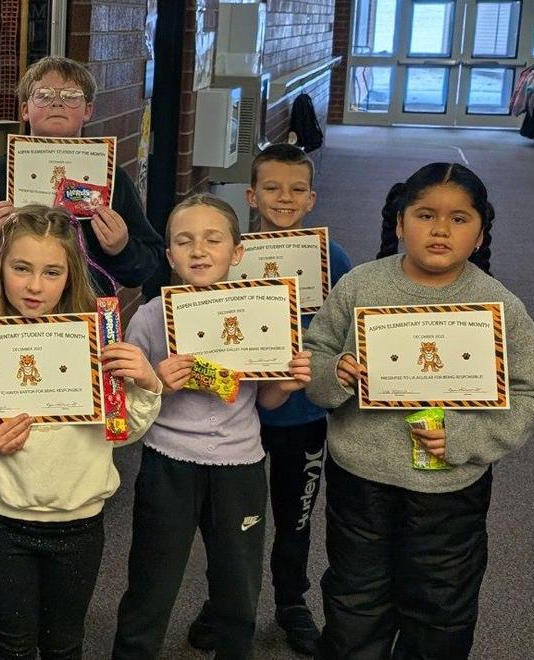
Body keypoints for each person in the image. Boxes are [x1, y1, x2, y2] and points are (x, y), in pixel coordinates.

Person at [306, 163, 534, 658]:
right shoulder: (360, 287)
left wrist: (466, 439)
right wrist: (334, 373)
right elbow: (314, 357)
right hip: (361, 478)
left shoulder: (499, 306)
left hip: (449, 489)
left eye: (460, 219)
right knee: (355, 602)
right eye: (425, 215)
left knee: (440, 611)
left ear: (481, 231)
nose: (441, 230)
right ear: (400, 223)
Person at [0, 205, 163, 659]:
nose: (35, 285)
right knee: (11, 645)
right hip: (4, 521)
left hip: (79, 521)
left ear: (71, 274)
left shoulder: (96, 341)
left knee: (64, 644)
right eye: (21, 268)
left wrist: (147, 384)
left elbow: (122, 432)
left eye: (51, 271)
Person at [109, 194, 314, 660]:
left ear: (237, 252)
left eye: (212, 239)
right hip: (168, 461)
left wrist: (284, 384)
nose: (198, 250)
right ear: (169, 257)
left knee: (237, 585)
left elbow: (265, 399)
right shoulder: (149, 316)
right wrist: (157, 381)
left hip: (239, 463)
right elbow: (126, 402)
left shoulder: (262, 311)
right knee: (151, 581)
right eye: (184, 241)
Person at [186, 143, 354, 656]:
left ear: (311, 198)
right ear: (252, 195)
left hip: (303, 417)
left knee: (294, 516)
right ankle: (224, 602)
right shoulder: (229, 255)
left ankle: (290, 602)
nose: (286, 198)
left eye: (297, 189)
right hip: (238, 416)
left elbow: (348, 334)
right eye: (274, 188)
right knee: (230, 520)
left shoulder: (334, 259)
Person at [0, 56, 167, 297]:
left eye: (71, 96)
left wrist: (121, 248)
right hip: (9, 315)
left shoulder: (111, 179)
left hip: (85, 316)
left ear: (88, 110)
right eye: (44, 95)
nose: (57, 103)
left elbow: (146, 265)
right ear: (25, 109)